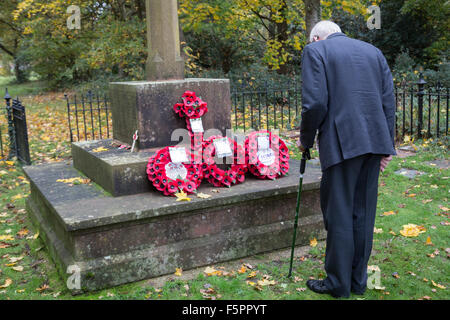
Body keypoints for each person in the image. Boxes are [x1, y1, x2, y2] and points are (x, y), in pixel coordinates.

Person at [297, 20, 396, 298]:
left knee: (339, 213)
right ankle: (357, 281)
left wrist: (305, 139)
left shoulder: (315, 51)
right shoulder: (373, 51)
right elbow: (389, 101)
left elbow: (314, 103)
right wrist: (387, 146)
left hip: (341, 142)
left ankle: (338, 284)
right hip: (374, 142)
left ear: (316, 37)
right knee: (363, 213)